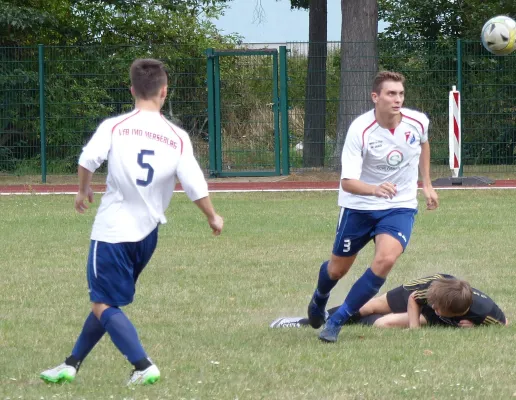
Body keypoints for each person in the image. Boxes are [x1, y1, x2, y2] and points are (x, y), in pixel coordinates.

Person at [39, 58, 224, 386]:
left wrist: (83, 191)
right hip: (147, 237)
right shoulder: (177, 136)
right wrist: (212, 216)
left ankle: (143, 365)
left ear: (132, 90)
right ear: (164, 91)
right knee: (105, 301)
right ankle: (71, 364)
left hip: (112, 231)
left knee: (101, 302)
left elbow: (87, 159)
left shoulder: (115, 126)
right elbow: (195, 184)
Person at [307, 71, 439, 343]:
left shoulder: (417, 122)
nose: (397, 99)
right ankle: (320, 297)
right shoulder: (360, 130)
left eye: (401, 94)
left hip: (399, 205)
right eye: (391, 94)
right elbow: (348, 182)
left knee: (386, 259)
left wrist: (426, 184)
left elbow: (424, 145)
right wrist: (375, 189)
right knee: (337, 270)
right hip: (359, 206)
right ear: (375, 97)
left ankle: (338, 320)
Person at [274, 274, 507, 329]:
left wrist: (474, 327)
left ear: (455, 313)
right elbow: (416, 299)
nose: (434, 308)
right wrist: (414, 329)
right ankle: (308, 321)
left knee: (380, 324)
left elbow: (504, 325)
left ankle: (359, 321)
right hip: (413, 294)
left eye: (439, 308)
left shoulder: (486, 313)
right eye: (434, 304)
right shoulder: (432, 290)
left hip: (433, 311)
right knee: (367, 307)